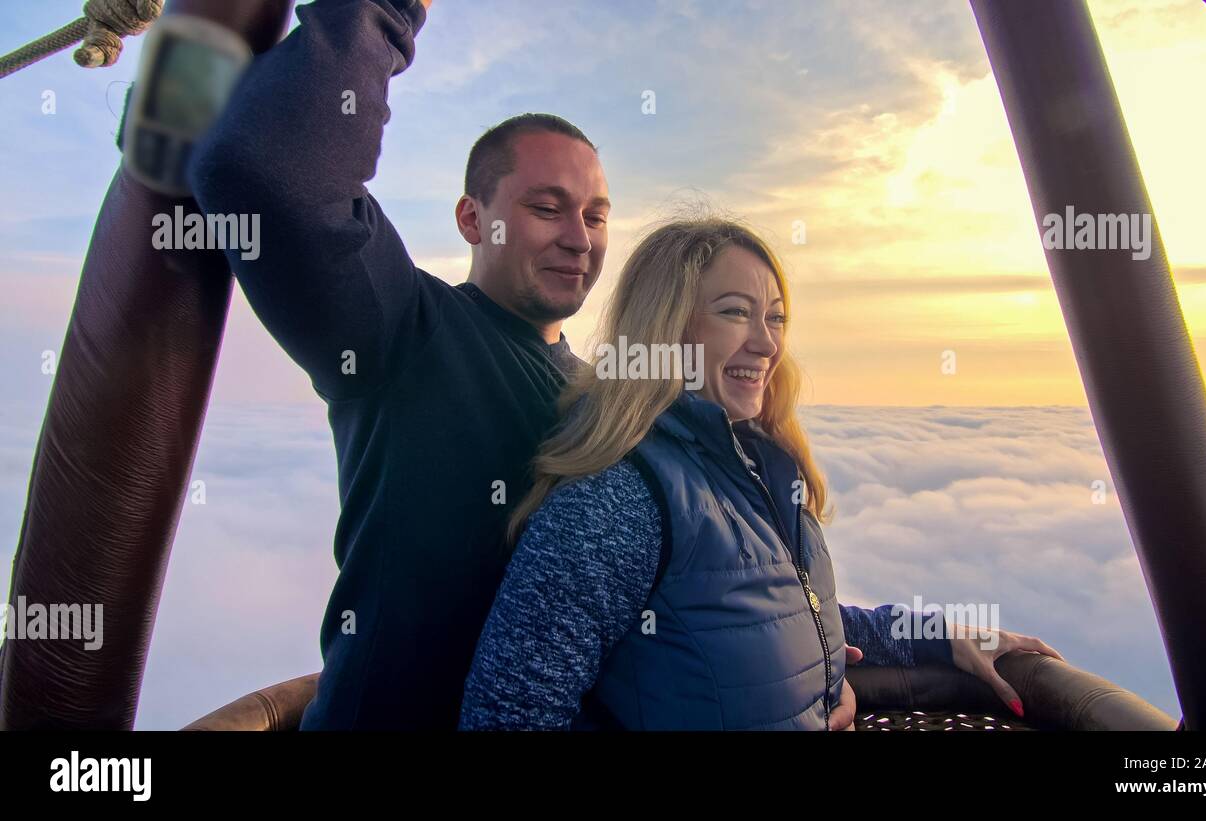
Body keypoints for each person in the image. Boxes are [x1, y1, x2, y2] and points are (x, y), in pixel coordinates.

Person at [460, 216, 1063, 730]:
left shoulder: (751, 468)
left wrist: (939, 636)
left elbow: (777, 612)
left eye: (774, 318)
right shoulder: (616, 501)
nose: (767, 343)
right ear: (667, 330)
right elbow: (508, 715)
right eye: (735, 313)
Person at [187, 0, 611, 728]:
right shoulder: (404, 331)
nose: (579, 237)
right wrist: (389, 11)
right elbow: (263, 168)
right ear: (473, 219)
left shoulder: (597, 396)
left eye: (596, 215)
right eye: (548, 206)